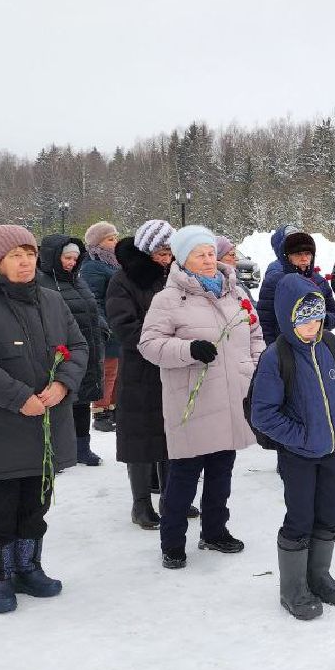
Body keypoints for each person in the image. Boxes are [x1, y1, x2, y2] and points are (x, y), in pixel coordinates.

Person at [0, 224, 87, 614]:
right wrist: (18, 397)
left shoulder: (51, 299)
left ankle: (28, 567)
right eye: (15, 255)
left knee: (35, 503)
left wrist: (63, 384)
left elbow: (77, 345)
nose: (25, 262)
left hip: (45, 420)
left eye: (29, 253)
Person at [139, 225, 264, 570]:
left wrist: (250, 367)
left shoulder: (234, 293)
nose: (209, 260)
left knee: (222, 470)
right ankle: (172, 542)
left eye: (211, 253)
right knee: (184, 475)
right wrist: (188, 349)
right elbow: (149, 345)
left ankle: (214, 531)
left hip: (231, 395)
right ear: (183, 259)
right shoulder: (168, 299)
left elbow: (255, 334)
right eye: (200, 254)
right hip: (192, 399)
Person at [250, 275, 335, 620]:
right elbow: (263, 415)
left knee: (329, 514)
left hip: (332, 450)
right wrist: (302, 436)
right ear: (287, 318)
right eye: (304, 319)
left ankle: (319, 577)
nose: (313, 325)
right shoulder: (276, 356)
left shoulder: (329, 344)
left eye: (317, 317)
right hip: (298, 455)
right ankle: (293, 589)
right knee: (300, 517)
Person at [105, 220, 177, 530]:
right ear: (147, 251)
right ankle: (141, 503)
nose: (167, 258)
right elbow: (124, 325)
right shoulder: (124, 280)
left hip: (174, 364)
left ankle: (172, 497)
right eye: (162, 252)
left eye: (171, 251)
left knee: (171, 434)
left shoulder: (174, 276)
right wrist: (159, 343)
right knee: (141, 435)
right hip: (140, 368)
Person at [36, 234, 106, 467]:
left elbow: (91, 306)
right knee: (60, 402)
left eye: (75, 258)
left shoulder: (77, 279)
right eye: (67, 257)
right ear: (54, 257)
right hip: (60, 351)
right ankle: (55, 450)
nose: (72, 263)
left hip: (85, 349)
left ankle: (82, 447)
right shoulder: (41, 281)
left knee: (82, 400)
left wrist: (102, 328)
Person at [258, 228, 335, 345]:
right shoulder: (274, 282)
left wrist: (319, 320)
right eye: (298, 254)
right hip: (284, 348)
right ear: (288, 257)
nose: (304, 258)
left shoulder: (319, 282)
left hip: (315, 346)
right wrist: (274, 350)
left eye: (307, 254)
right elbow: (265, 322)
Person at [81, 222, 121, 433]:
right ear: (98, 243)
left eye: (115, 238)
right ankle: (101, 411)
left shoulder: (114, 263)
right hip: (107, 326)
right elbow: (93, 298)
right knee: (107, 370)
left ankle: (113, 408)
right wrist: (103, 323)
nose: (115, 242)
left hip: (119, 323)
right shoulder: (93, 266)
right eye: (110, 239)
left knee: (118, 369)